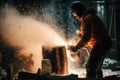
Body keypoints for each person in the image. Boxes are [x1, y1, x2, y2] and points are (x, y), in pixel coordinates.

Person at [68, 1, 112, 78]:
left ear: (78, 11)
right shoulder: (89, 17)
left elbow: (86, 37)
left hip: (101, 44)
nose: (75, 16)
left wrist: (76, 47)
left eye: (74, 13)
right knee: (96, 67)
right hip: (104, 43)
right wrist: (80, 37)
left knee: (90, 67)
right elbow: (88, 34)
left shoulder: (88, 19)